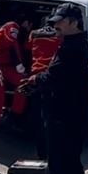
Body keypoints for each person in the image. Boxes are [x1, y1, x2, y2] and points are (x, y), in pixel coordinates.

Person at [20, 3, 88, 174]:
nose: (55, 25)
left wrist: (35, 80)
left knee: (64, 165)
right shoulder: (69, 44)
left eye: (60, 21)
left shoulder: (73, 48)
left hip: (67, 116)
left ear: (73, 22)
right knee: (65, 163)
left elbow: (55, 76)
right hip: (65, 113)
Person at [0, 13, 33, 156]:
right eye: (30, 24)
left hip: (6, 65)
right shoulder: (12, 27)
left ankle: (14, 115)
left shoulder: (20, 33)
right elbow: (12, 46)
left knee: (23, 84)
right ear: (25, 22)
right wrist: (19, 65)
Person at [18, 20, 62, 160]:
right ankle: (50, 151)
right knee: (52, 116)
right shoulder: (60, 36)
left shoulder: (34, 34)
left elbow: (26, 48)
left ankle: (41, 152)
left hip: (35, 77)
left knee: (38, 116)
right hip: (51, 78)